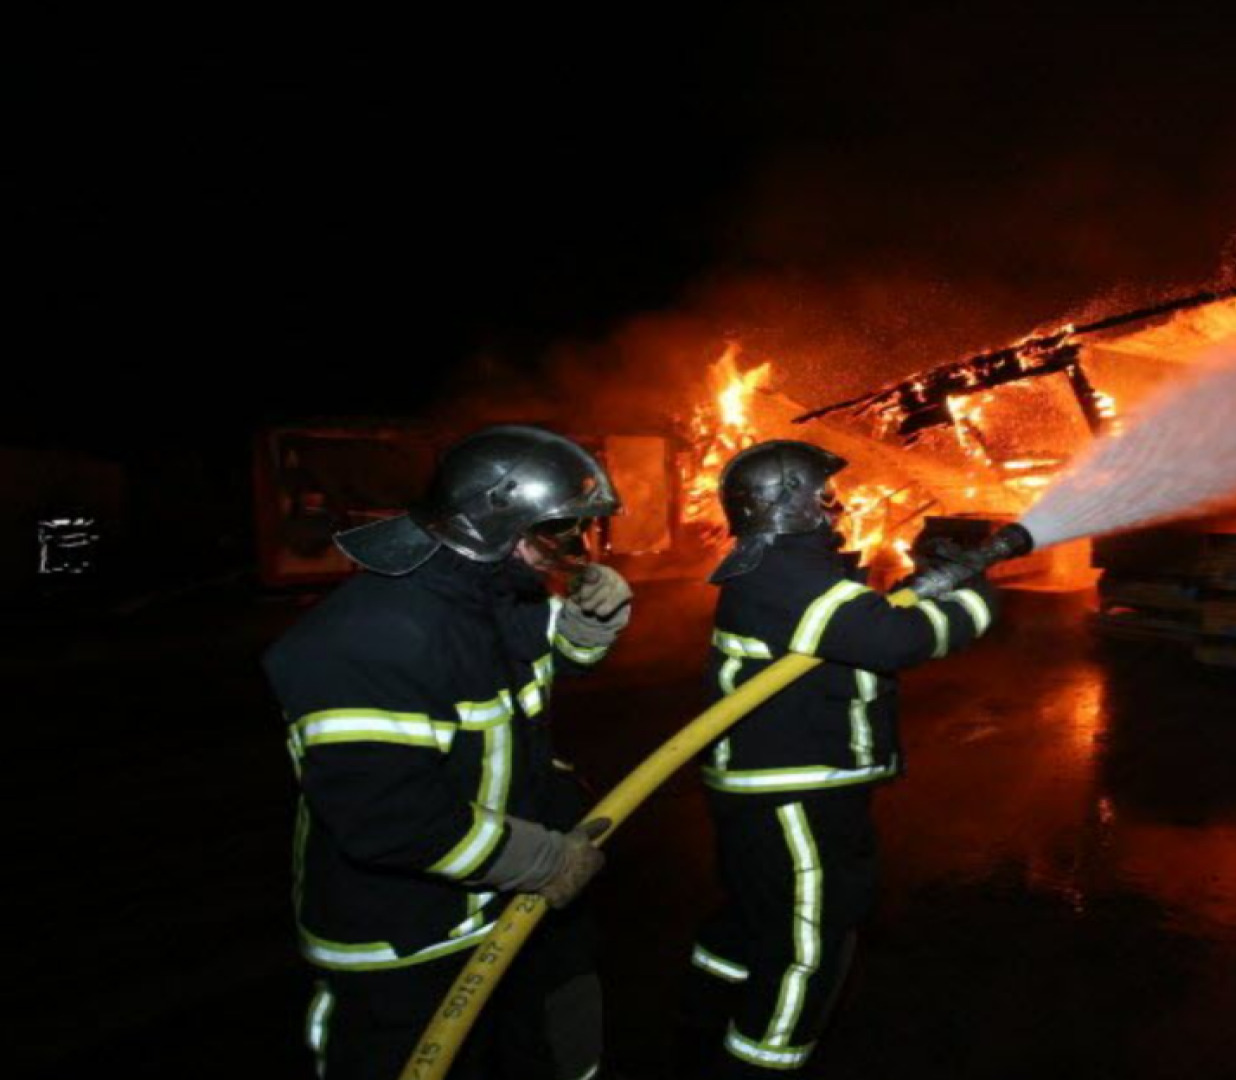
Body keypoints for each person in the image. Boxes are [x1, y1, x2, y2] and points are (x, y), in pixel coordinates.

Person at [264, 424, 632, 1080]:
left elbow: (546, 676)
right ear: (494, 527)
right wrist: (540, 859)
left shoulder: (496, 598)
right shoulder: (373, 638)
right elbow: (388, 820)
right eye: (560, 531)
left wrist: (588, 622)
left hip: (509, 909)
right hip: (408, 945)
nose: (575, 549)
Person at [681, 440, 999, 1076]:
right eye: (823, 495)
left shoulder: (772, 565)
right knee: (809, 936)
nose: (836, 506)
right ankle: (765, 1058)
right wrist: (975, 597)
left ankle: (706, 1006)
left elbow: (857, 620)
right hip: (795, 788)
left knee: (756, 908)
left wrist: (921, 583)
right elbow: (894, 638)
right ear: (791, 502)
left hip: (768, 785)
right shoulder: (789, 576)